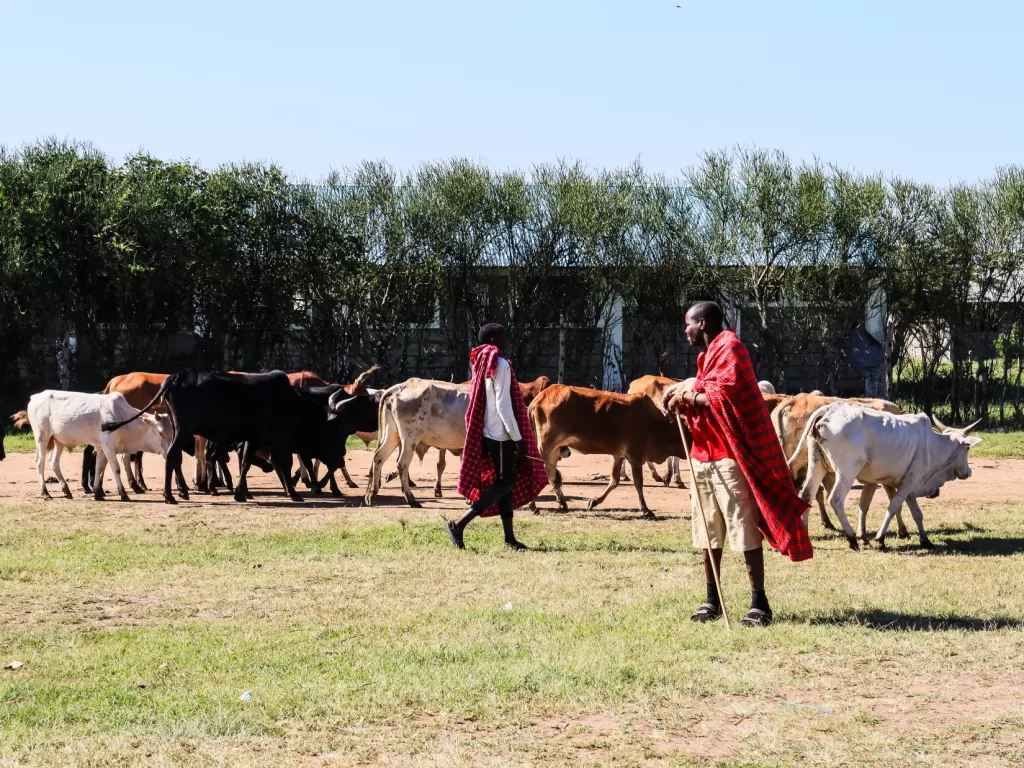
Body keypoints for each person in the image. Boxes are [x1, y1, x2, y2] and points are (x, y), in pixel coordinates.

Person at [663, 302, 813, 627]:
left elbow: (724, 396)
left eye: (687, 324)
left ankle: (759, 603)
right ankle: (711, 600)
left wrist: (686, 397)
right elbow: (706, 398)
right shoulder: (705, 358)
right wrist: (684, 402)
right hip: (702, 456)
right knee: (706, 531)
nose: (685, 330)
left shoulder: (732, 347)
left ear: (702, 323)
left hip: (730, 457)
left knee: (743, 529)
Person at [446, 323, 548, 551]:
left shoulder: (483, 360)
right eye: (503, 336)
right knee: (505, 483)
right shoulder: (499, 364)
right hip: (501, 434)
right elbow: (503, 405)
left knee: (506, 485)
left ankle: (509, 538)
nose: (507, 340)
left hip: (490, 431)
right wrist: (518, 439)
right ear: (493, 339)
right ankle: (459, 524)